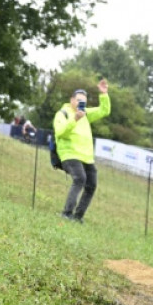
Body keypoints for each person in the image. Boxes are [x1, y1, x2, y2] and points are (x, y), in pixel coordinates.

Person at [53, 79, 111, 222]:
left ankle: (78, 217)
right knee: (80, 179)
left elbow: (104, 111)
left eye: (83, 101)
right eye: (78, 100)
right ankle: (67, 213)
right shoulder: (62, 114)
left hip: (86, 157)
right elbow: (60, 133)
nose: (80, 104)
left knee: (91, 185)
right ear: (71, 100)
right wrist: (75, 119)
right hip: (70, 154)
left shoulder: (85, 113)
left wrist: (104, 95)